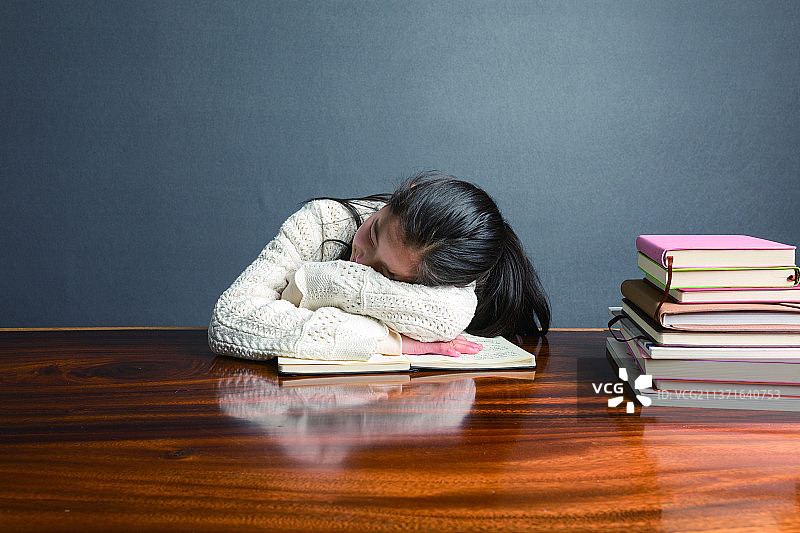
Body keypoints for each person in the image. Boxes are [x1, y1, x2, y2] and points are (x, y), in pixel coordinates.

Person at [208, 171, 550, 361]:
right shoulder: (320, 223)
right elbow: (230, 319)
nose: (359, 260)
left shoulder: (450, 272)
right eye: (373, 234)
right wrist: (388, 340)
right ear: (406, 194)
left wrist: (325, 283)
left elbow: (449, 316)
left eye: (386, 273)